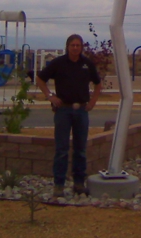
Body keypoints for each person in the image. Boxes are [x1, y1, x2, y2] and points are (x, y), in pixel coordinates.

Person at [36, 34, 102, 197]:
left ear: (82, 47)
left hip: (81, 111)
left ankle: (79, 183)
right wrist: (50, 96)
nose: (75, 48)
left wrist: (93, 101)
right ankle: (59, 185)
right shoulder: (58, 63)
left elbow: (98, 83)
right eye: (72, 45)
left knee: (80, 149)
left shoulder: (87, 64)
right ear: (67, 47)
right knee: (62, 149)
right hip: (63, 111)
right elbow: (40, 79)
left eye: (78, 45)